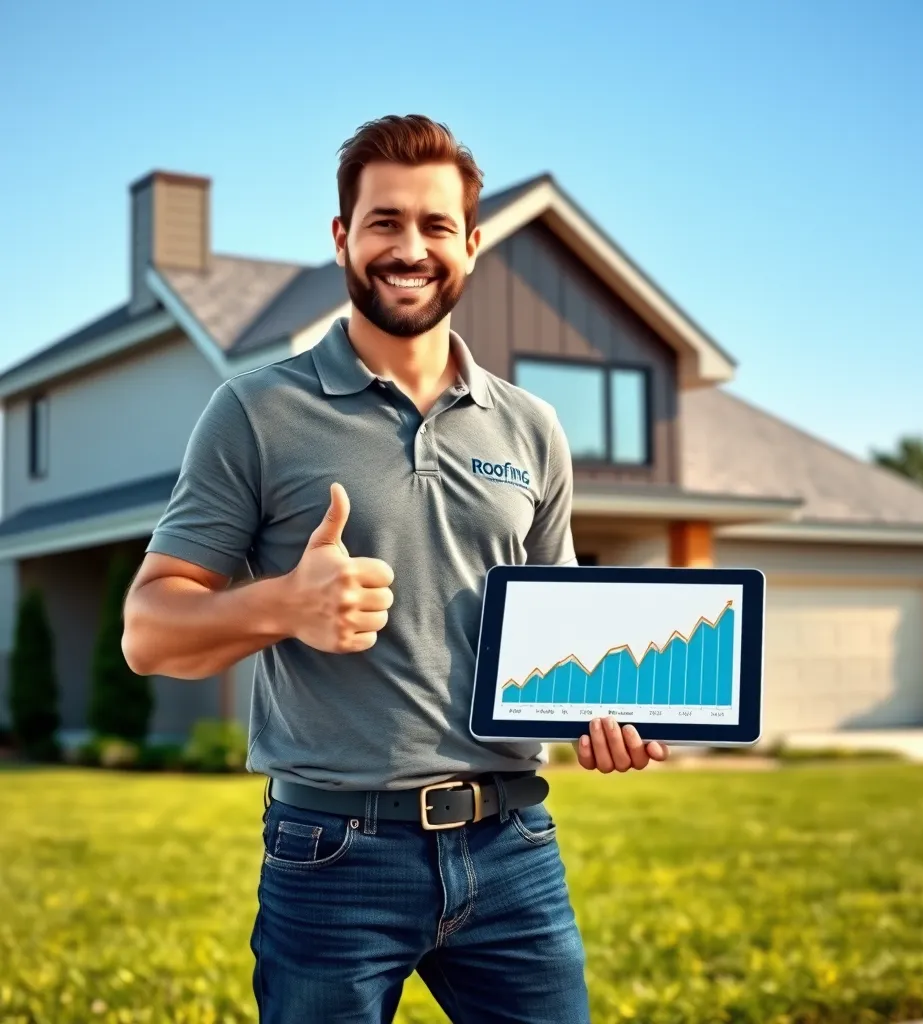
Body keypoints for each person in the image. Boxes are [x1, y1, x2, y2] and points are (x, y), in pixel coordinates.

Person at [121, 113, 669, 1024]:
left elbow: (563, 629)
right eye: (383, 223)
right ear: (342, 238)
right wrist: (286, 606)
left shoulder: (531, 427)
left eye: (434, 226)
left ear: (472, 245)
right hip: (332, 853)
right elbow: (148, 631)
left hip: (512, 845)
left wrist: (605, 713)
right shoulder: (256, 411)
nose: (408, 248)